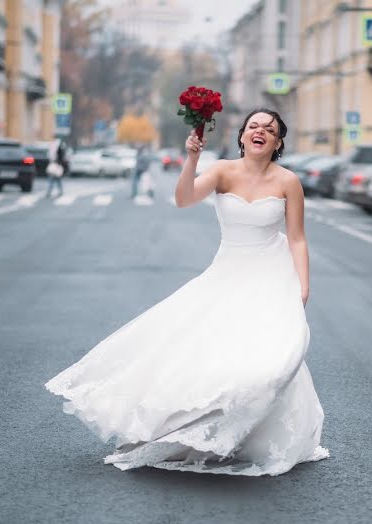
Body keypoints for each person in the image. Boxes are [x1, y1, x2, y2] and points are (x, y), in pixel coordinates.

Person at [44, 108, 329, 476]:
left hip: (272, 275)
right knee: (207, 349)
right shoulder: (223, 171)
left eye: (269, 129)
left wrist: (303, 285)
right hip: (228, 271)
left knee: (276, 356)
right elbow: (184, 198)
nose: (260, 131)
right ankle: (205, 429)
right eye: (254, 126)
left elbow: (297, 238)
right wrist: (191, 158)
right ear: (242, 136)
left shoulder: (288, 181)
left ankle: (252, 431)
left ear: (277, 143)